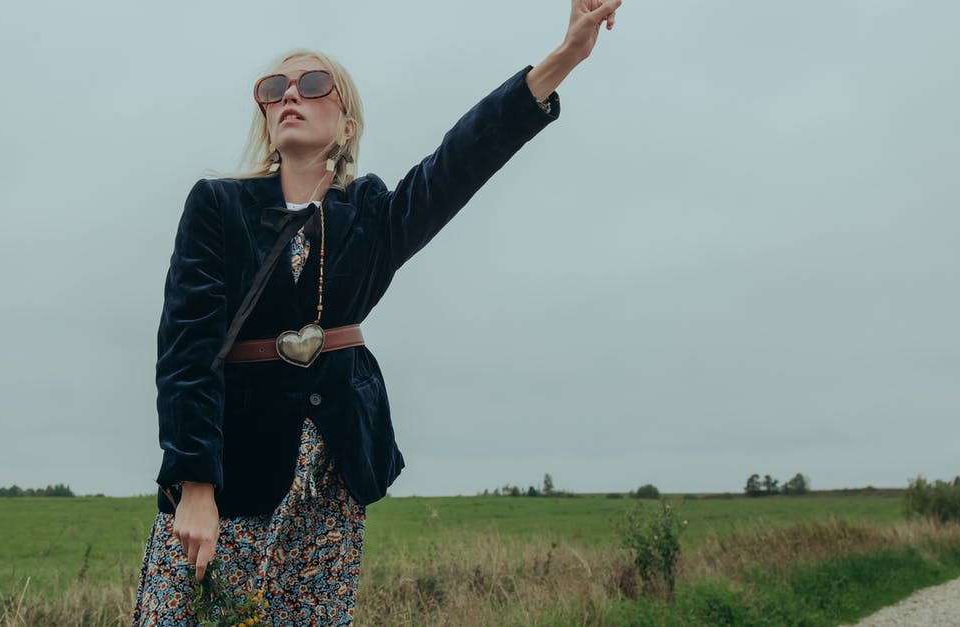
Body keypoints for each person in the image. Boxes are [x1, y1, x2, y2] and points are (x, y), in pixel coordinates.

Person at [133, 1, 622, 624]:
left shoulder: (371, 215)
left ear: (345, 122)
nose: (290, 96)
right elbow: (185, 350)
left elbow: (459, 162)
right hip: (232, 476)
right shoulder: (217, 206)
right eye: (273, 88)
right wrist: (195, 486)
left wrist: (563, 60)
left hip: (330, 485)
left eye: (312, 85)